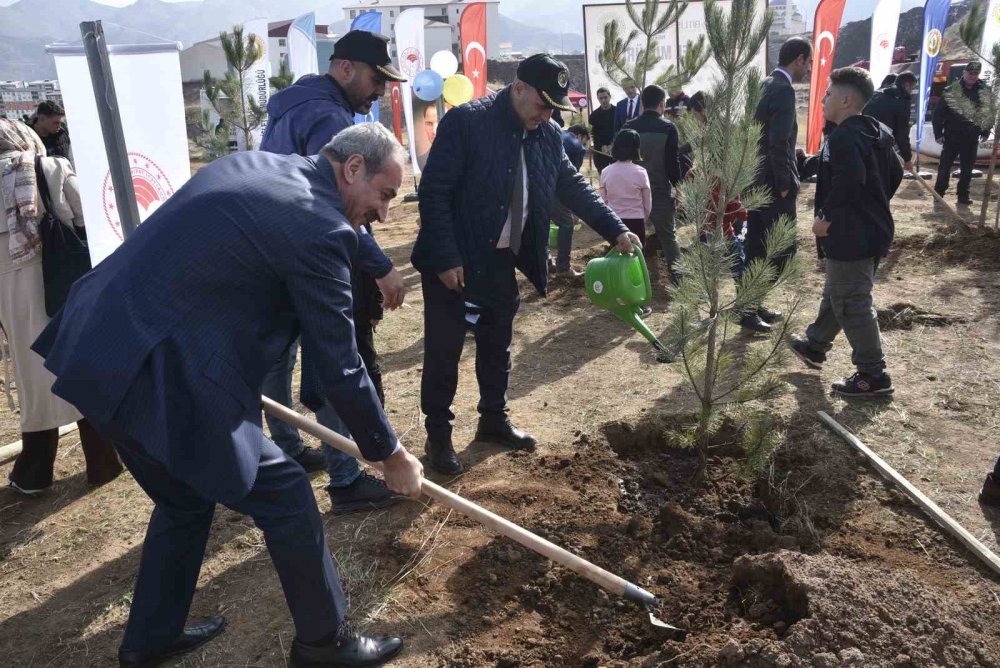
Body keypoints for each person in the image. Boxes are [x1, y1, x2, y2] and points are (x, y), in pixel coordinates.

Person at [32, 123, 423, 668]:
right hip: (159, 371)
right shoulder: (320, 227)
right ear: (353, 167)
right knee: (286, 492)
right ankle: (324, 643)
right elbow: (340, 364)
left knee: (184, 499)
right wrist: (390, 453)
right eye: (384, 195)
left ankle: (150, 639)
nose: (384, 215)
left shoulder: (256, 165)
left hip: (100, 343)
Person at [412, 54, 638, 475]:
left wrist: (615, 229)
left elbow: (572, 186)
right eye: (541, 104)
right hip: (455, 259)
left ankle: (493, 419)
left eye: (554, 108)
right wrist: (445, 257)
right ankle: (438, 436)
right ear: (518, 88)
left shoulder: (547, 134)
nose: (547, 114)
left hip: (502, 257)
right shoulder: (467, 122)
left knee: (497, 342)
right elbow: (435, 192)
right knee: (444, 349)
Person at [260, 29, 408, 515]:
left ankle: (286, 446)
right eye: (375, 79)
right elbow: (343, 208)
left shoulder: (292, 104)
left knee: (278, 357)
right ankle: (346, 478)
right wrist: (380, 266)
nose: (378, 92)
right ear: (345, 68)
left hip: (274, 247)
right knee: (332, 358)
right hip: (307, 250)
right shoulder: (328, 116)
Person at [0, 118, 122, 495]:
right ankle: (102, 463)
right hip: (59, 283)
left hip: (10, 297)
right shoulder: (48, 168)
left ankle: (35, 472)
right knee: (77, 368)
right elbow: (89, 216)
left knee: (34, 382)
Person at [791, 67, 902, 398]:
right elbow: (895, 172)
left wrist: (826, 217)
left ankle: (873, 374)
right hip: (872, 228)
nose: (822, 100)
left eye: (828, 94)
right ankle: (815, 344)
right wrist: (875, 203)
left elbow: (850, 179)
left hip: (851, 233)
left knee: (852, 300)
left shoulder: (844, 137)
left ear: (845, 100)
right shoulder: (875, 131)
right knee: (838, 289)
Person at [746, 36, 812, 326]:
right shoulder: (783, 90)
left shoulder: (764, 84)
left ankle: (751, 305)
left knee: (758, 246)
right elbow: (778, 141)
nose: (809, 69)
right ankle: (747, 308)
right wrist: (785, 183)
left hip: (756, 180)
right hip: (774, 184)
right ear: (799, 59)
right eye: (808, 63)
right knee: (778, 249)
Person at [623, 84, 683, 283]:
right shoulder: (668, 128)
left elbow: (620, 159)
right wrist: (679, 188)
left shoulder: (628, 127)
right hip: (658, 190)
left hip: (631, 192)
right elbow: (672, 163)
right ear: (662, 104)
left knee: (631, 234)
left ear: (641, 103)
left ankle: (630, 278)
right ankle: (678, 278)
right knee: (668, 236)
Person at [933, 60, 993, 207]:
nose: (972, 76)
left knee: (967, 169)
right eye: (970, 73)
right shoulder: (951, 90)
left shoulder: (984, 91)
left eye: (975, 74)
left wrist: (985, 130)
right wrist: (938, 133)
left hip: (971, 136)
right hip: (952, 135)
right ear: (964, 73)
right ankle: (938, 194)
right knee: (944, 167)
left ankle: (963, 196)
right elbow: (938, 114)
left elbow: (989, 113)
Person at [549, 123, 591, 278]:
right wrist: (574, 209)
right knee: (567, 223)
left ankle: (546, 262)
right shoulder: (577, 146)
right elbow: (570, 182)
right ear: (580, 136)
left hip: (536, 185)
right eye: (585, 141)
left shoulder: (556, 134)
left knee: (542, 223)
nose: (584, 145)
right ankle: (563, 267)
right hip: (554, 188)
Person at [600, 129, 651, 247]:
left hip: (614, 221)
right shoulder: (641, 172)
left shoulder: (606, 171)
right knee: (637, 254)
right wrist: (644, 217)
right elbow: (647, 202)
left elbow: (603, 200)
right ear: (636, 148)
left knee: (616, 254)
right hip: (637, 220)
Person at [864, 71, 916, 172]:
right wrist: (907, 159)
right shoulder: (902, 101)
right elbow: (902, 133)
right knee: (886, 174)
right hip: (881, 143)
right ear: (907, 85)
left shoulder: (876, 93)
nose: (911, 91)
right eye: (912, 87)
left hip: (863, 140)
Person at [590, 87, 616, 173]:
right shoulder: (594, 115)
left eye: (605, 97)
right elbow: (592, 133)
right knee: (602, 175)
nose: (603, 100)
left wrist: (613, 144)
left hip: (616, 150)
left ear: (610, 97)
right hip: (600, 151)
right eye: (601, 98)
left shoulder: (617, 112)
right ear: (598, 99)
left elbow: (622, 130)